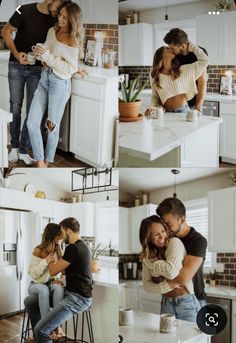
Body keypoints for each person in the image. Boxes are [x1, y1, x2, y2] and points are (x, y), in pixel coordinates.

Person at [1, 0, 68, 165]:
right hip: (16, 65)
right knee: (15, 106)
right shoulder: (22, 9)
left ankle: (24, 150)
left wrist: (73, 65)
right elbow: (5, 32)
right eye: (58, 7)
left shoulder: (55, 20)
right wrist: (17, 54)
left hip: (38, 70)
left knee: (32, 112)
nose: (58, 12)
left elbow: (60, 45)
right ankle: (14, 148)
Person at [27, 2, 84, 168]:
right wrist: (39, 53)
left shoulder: (73, 41)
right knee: (32, 122)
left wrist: (48, 57)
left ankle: (47, 161)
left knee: (51, 126)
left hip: (60, 83)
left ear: (73, 20)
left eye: (65, 17)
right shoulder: (52, 31)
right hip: (44, 78)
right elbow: (47, 51)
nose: (61, 19)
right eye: (60, 15)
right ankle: (39, 160)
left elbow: (70, 68)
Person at [24, 217, 93, 343]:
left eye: (61, 232)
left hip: (77, 298)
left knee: (41, 329)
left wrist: (50, 261)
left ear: (69, 231)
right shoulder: (83, 246)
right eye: (58, 234)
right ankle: (50, 330)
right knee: (29, 301)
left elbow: (53, 271)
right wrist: (52, 267)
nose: (61, 236)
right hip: (75, 294)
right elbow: (63, 270)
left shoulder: (72, 248)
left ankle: (47, 330)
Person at [140, 215, 200, 322]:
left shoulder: (174, 242)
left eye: (163, 231)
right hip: (166, 303)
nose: (162, 236)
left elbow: (171, 272)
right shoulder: (148, 255)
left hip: (186, 303)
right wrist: (168, 285)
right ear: (148, 238)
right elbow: (147, 286)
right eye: (156, 234)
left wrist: (154, 266)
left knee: (192, 338)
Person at [156, 197, 207, 308]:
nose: (166, 229)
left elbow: (183, 278)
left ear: (182, 220)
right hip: (167, 301)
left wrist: (160, 271)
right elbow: (155, 275)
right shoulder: (165, 240)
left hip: (193, 301)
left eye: (168, 225)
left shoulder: (198, 241)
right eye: (163, 225)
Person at [146, 39, 209, 114]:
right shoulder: (154, 74)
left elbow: (205, 61)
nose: (171, 49)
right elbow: (154, 96)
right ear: (161, 55)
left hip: (183, 111)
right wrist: (151, 107)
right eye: (168, 48)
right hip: (164, 112)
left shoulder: (182, 70)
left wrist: (188, 43)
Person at [28, 223, 65, 338]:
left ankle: (57, 326)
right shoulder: (38, 250)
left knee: (58, 288)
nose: (60, 238)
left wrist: (59, 280)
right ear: (51, 235)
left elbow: (61, 270)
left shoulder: (57, 248)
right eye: (58, 235)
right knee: (43, 289)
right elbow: (32, 273)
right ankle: (47, 329)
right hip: (35, 285)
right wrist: (45, 261)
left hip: (49, 283)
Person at [164, 28, 208, 112]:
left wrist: (198, 107)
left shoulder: (199, 54)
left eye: (173, 48)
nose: (171, 50)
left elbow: (202, 82)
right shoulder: (174, 56)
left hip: (193, 104)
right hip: (179, 105)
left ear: (183, 46)